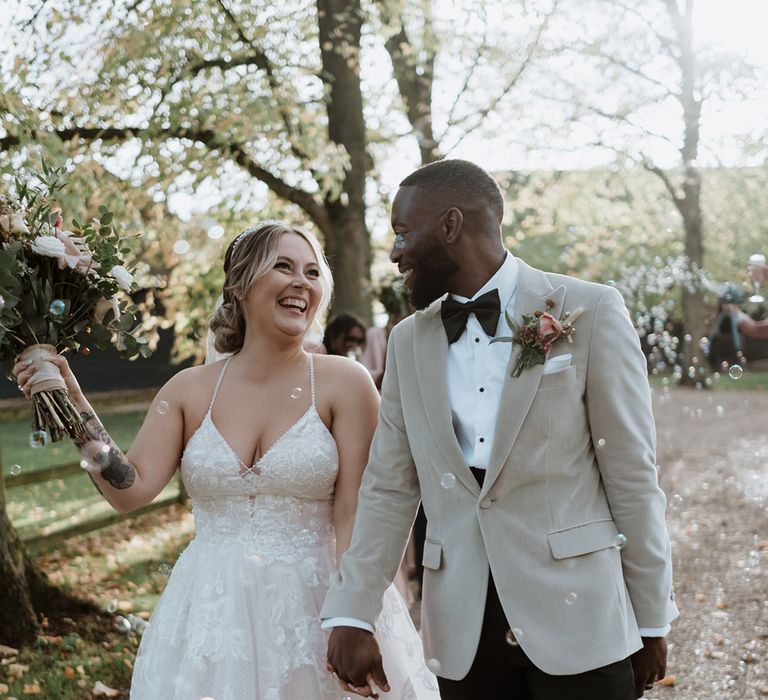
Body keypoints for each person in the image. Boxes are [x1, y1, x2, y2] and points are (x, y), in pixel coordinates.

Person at [14, 222, 439, 699]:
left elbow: (354, 512)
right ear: (239, 285)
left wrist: (354, 617)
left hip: (316, 608)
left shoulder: (346, 382)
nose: (302, 282)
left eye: (313, 272)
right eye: (283, 266)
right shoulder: (188, 389)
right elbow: (129, 489)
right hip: (208, 619)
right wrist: (71, 404)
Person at [322, 160, 678, 700]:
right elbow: (389, 488)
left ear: (449, 226)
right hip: (464, 630)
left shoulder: (591, 311)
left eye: (402, 233)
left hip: (580, 616)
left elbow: (631, 473)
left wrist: (651, 618)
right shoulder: (406, 342)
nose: (394, 254)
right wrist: (354, 608)